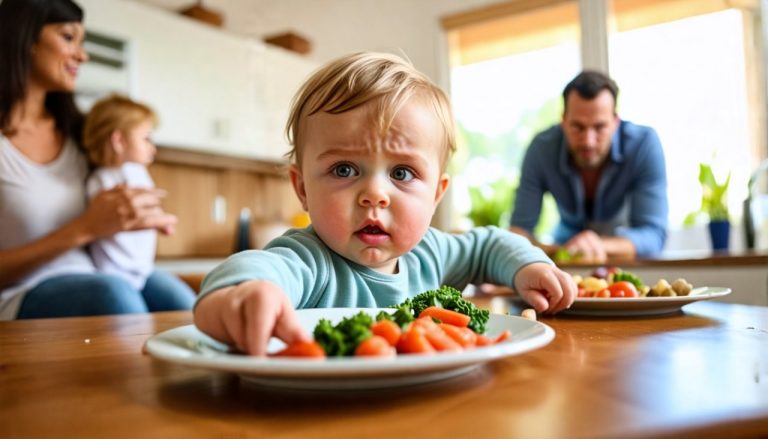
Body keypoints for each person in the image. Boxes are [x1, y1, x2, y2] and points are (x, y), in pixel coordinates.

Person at [193, 52, 577, 356]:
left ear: (436, 194)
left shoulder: (431, 252)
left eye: (402, 173)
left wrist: (529, 266)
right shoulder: (309, 260)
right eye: (344, 169)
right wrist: (242, 294)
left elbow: (489, 244)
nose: (374, 194)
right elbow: (258, 269)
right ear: (303, 188)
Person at [0, 0, 195, 320]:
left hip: (99, 273)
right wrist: (85, 228)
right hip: (21, 292)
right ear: (26, 38)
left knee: (190, 307)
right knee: (115, 296)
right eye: (67, 37)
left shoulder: (81, 135)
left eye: (82, 42)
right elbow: (92, 227)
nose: (82, 55)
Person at [509, 70, 668, 262]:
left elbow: (653, 235)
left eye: (600, 127)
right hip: (563, 253)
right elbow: (519, 232)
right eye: (577, 127)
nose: (588, 142)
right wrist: (560, 251)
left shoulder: (644, 144)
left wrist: (596, 245)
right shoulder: (541, 149)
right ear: (563, 121)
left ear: (615, 123)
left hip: (620, 253)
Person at [83, 94, 160, 290]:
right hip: (114, 270)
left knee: (185, 302)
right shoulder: (102, 180)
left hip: (143, 268)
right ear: (118, 141)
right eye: (146, 138)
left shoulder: (140, 173)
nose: (153, 148)